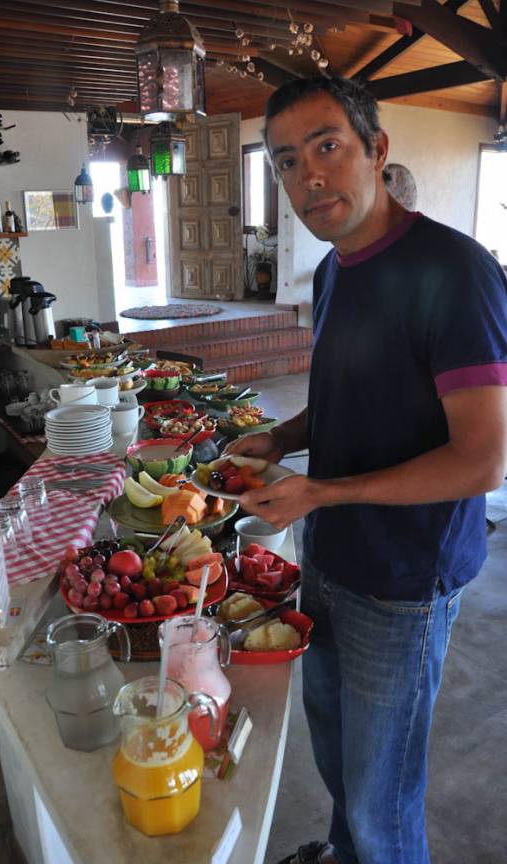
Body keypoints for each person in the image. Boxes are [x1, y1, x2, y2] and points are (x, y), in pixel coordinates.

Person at [226, 76, 507, 864]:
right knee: (341, 765)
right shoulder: (333, 271)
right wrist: (280, 442)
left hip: (405, 582)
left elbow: (484, 457)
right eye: (286, 161)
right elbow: (346, 398)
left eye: (327, 147)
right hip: (331, 559)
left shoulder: (456, 274)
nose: (308, 176)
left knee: (383, 800)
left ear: (376, 150)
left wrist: (325, 492)